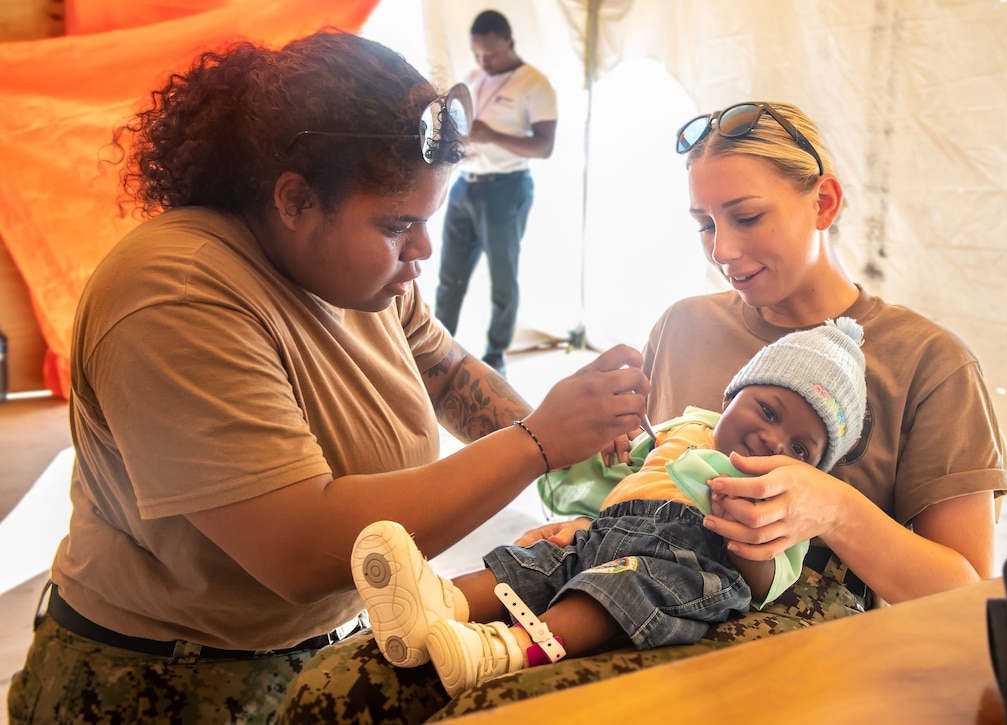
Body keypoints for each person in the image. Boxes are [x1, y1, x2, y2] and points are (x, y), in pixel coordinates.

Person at [274, 100, 1007, 723]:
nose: (724, 249)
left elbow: (969, 596)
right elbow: (652, 482)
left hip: (784, 645)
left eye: (747, 216)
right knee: (341, 684)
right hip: (621, 571)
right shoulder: (685, 325)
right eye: (703, 223)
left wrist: (833, 509)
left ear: (824, 202)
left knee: (495, 707)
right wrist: (598, 513)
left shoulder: (927, 363)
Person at [5, 29, 650, 724]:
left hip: (312, 652)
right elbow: (301, 549)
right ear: (294, 200)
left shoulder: (365, 275)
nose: (424, 249)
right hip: (166, 684)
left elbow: (444, 369)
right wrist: (538, 443)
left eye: (428, 217)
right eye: (400, 223)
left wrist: (584, 460)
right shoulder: (174, 293)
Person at [352, 318, 868, 697]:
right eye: (767, 409)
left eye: (801, 449)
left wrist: (749, 536)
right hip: (607, 532)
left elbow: (763, 585)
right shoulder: (686, 427)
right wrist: (614, 434)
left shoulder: (788, 497)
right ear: (731, 395)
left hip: (684, 567)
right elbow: (622, 476)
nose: (773, 440)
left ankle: (505, 650)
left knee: (620, 587)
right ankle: (434, 604)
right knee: (537, 562)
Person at [433, 9, 558, 377]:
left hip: (506, 188)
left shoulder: (536, 84)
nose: (484, 62)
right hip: (465, 186)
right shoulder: (474, 78)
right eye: (477, 55)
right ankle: (434, 352)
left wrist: (493, 136)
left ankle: (496, 356)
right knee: (448, 276)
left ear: (510, 43)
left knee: (503, 278)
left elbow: (545, 147)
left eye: (491, 54)